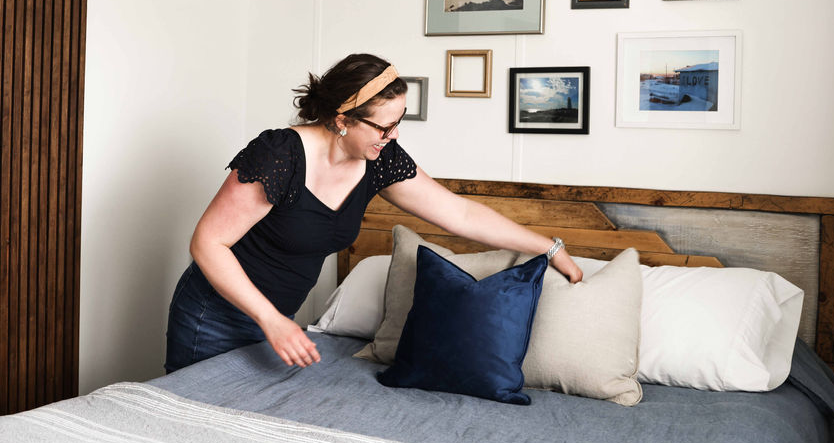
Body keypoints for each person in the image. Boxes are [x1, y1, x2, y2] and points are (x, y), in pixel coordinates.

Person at [164, 53, 583, 373]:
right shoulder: (280, 154)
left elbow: (460, 215)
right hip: (215, 318)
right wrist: (269, 319)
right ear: (342, 120)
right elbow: (208, 243)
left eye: (399, 122)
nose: (393, 135)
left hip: (278, 322)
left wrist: (549, 247)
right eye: (384, 126)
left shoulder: (379, 159)